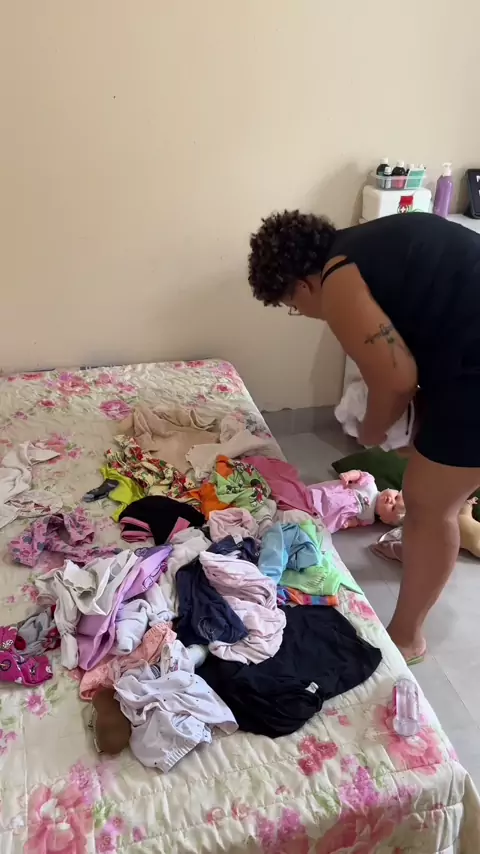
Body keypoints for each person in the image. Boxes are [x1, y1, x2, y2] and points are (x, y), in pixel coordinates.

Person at [248, 210, 480, 665]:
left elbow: (396, 380)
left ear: (302, 285)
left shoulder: (337, 282)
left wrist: (371, 432)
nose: (303, 313)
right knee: (432, 476)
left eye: (292, 305)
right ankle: (425, 542)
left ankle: (408, 637)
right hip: (463, 358)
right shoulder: (365, 245)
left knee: (428, 505)